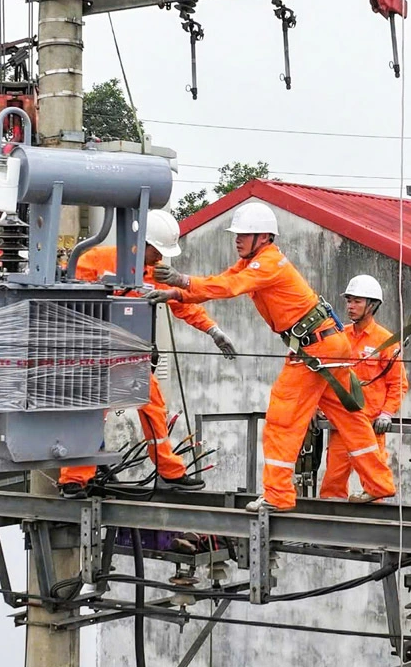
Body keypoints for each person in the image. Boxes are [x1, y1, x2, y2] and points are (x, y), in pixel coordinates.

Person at [151, 203, 396, 513]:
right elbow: (222, 279)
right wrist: (177, 294)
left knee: (282, 421)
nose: (237, 239)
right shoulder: (255, 261)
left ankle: (278, 494)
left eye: (244, 235)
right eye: (237, 234)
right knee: (350, 418)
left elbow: (228, 287)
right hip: (327, 343)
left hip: (315, 348)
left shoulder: (267, 264)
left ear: (264, 237)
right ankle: (379, 483)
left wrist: (181, 281)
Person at [58, 208, 236, 496]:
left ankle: (170, 473)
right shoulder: (93, 261)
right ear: (142, 243)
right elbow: (68, 300)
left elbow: (185, 306)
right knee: (90, 414)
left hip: (130, 358)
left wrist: (213, 330)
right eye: (158, 251)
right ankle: (74, 480)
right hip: (94, 357)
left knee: (153, 408)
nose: (161, 258)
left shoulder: (156, 274)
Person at [317, 275, 407, 501]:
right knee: (332, 485)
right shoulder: (339, 336)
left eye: (357, 301)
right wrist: (316, 408)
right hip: (342, 422)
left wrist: (387, 413)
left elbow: (398, 383)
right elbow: (323, 376)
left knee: (374, 487)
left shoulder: (385, 340)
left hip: (370, 425)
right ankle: (330, 530)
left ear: (372, 305)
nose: (350, 306)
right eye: (349, 300)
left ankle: (374, 531)